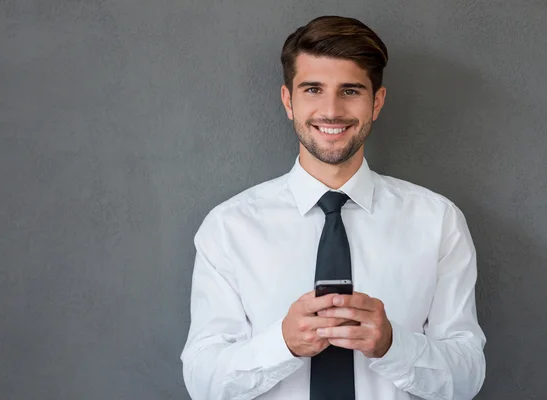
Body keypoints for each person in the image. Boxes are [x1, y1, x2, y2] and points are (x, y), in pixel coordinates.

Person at [180, 15, 486, 400]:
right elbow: (203, 382)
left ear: (376, 102)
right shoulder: (228, 227)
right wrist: (282, 344)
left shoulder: (439, 222)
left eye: (351, 91)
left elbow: (467, 377)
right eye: (312, 89)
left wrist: (394, 346)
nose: (331, 110)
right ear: (288, 101)